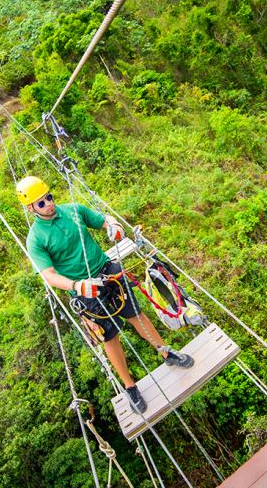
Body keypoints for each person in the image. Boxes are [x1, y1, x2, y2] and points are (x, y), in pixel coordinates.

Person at [17, 176, 194, 414]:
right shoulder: (36, 239)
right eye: (41, 202)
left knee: (136, 314)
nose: (49, 203)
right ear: (30, 209)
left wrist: (113, 227)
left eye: (49, 197)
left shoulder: (73, 211)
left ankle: (165, 352)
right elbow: (49, 275)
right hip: (84, 288)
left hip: (106, 270)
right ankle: (130, 387)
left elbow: (102, 220)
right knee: (109, 337)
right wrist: (77, 286)